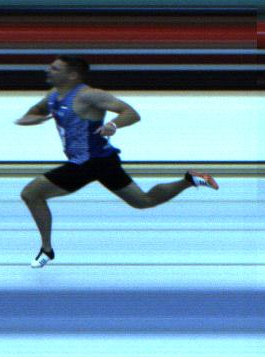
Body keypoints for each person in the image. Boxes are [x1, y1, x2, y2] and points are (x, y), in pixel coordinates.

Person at [16, 55, 219, 268]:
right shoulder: (53, 96)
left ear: (72, 74)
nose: (48, 70)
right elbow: (33, 112)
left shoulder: (89, 95)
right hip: (104, 161)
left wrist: (113, 125)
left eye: (55, 68)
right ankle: (189, 180)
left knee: (31, 193)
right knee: (143, 201)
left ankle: (47, 250)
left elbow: (131, 113)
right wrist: (31, 119)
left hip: (88, 163)